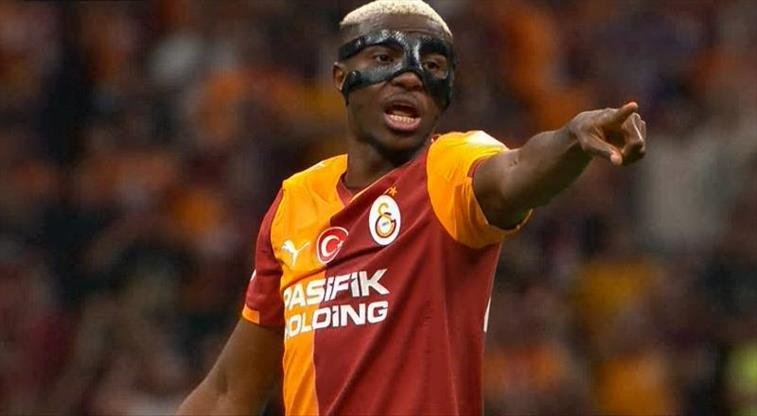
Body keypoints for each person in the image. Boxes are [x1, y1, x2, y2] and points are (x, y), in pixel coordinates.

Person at [177, 0, 647, 414]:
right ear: (341, 78)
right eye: (384, 58)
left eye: (433, 65)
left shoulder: (448, 168)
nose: (410, 75)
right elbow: (228, 392)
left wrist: (572, 138)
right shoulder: (295, 201)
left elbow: (516, 171)